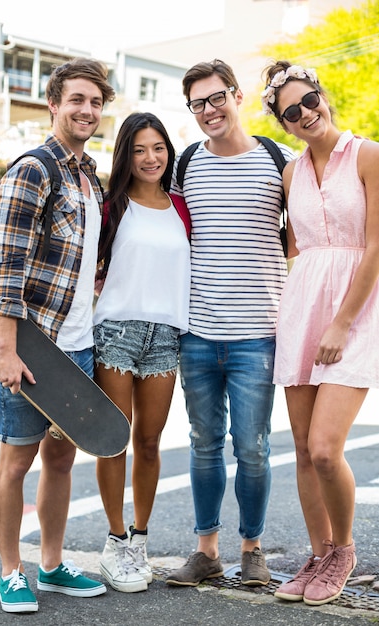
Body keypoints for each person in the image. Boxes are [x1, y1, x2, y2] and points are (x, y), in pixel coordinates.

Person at [0, 57, 115, 613]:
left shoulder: (90, 176)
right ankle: (11, 571)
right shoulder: (33, 169)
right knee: (17, 459)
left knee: (61, 461)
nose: (86, 110)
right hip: (32, 344)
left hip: (79, 343)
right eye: (77, 100)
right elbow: (6, 267)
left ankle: (54, 564)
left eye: (95, 102)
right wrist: (6, 348)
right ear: (53, 104)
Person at [165, 59, 294, 588]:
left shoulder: (278, 159)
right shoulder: (186, 163)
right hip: (196, 332)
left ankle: (253, 548)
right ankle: (206, 551)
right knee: (202, 443)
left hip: (258, 334)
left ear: (237, 95)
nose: (208, 110)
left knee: (253, 447)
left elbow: (305, 234)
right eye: (197, 103)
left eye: (216, 97)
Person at [260, 60, 379, 606]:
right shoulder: (289, 173)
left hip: (354, 313)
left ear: (322, 95)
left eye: (309, 100)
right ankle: (317, 555)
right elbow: (295, 250)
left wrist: (341, 321)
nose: (305, 113)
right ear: (283, 124)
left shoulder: (369, 155)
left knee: (327, 449)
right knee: (304, 452)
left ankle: (345, 550)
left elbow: (375, 247)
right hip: (302, 307)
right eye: (291, 111)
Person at [93, 112, 191, 593]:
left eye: (158, 148)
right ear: (125, 155)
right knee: (116, 439)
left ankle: (140, 540)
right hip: (116, 330)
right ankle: (114, 540)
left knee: (151, 444)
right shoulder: (110, 204)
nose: (150, 158)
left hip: (167, 334)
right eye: (139, 149)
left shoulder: (180, 206)